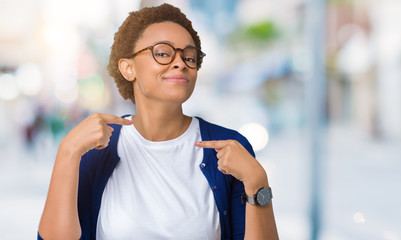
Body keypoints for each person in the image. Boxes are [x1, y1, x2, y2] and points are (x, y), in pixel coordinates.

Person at [38, 3, 279, 240]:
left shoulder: (230, 147)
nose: (180, 63)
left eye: (190, 57)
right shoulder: (95, 150)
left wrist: (257, 182)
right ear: (128, 68)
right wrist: (67, 152)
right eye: (163, 53)